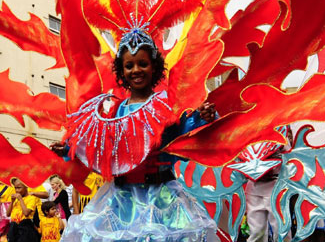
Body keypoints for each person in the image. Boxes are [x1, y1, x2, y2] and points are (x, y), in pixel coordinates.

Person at [54, 30, 218, 242]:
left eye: (142, 63)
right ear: (122, 72)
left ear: (154, 67)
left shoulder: (166, 103)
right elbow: (103, 147)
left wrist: (200, 118)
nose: (136, 70)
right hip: (121, 198)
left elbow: (181, 135)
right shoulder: (116, 110)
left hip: (161, 197)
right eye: (129, 66)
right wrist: (70, 148)